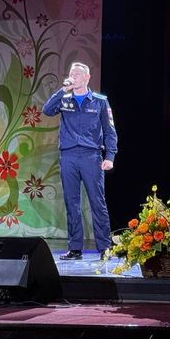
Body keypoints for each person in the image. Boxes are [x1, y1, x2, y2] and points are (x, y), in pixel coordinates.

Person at [42, 62, 117, 260]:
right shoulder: (64, 98)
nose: (73, 76)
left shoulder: (100, 101)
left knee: (97, 202)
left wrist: (110, 157)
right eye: (71, 73)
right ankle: (75, 248)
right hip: (68, 156)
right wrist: (62, 90)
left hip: (91, 157)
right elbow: (47, 110)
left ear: (87, 77)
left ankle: (105, 247)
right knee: (71, 203)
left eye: (77, 74)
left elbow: (110, 131)